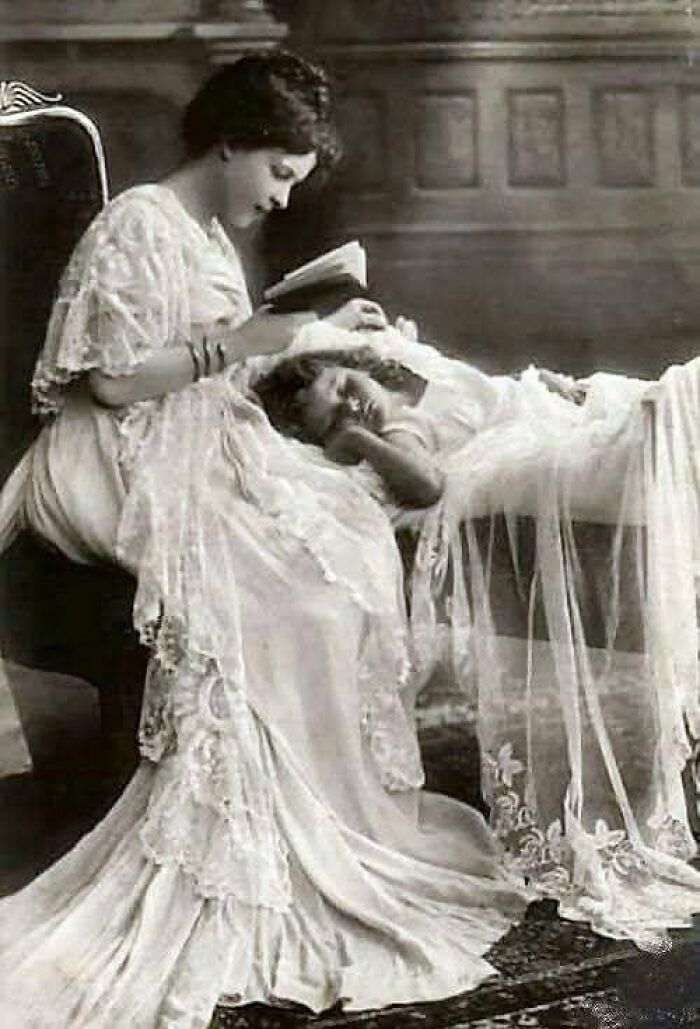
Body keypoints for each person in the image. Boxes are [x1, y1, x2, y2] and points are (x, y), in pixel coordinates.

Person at [0, 51, 531, 1028]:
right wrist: (247, 343)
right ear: (232, 144)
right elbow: (110, 382)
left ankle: (330, 821)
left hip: (191, 432)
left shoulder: (205, 234)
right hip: (108, 454)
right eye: (278, 173)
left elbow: (225, 367)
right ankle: (248, 838)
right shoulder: (138, 223)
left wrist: (313, 338)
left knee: (339, 550)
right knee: (277, 582)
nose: (282, 196)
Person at [252, 350, 444, 508]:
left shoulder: (403, 372)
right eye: (337, 420)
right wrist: (357, 437)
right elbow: (428, 487)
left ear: (356, 368)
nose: (353, 407)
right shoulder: (398, 428)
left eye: (346, 389)